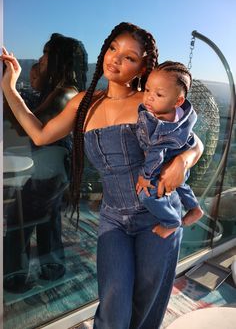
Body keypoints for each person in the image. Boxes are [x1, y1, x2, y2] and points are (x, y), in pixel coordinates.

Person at [1, 22, 203, 328]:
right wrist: (9, 87)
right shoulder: (84, 103)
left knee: (147, 303)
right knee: (114, 302)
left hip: (158, 218)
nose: (116, 59)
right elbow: (40, 135)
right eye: (113, 49)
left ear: (143, 68)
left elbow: (194, 142)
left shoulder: (148, 103)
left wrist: (182, 163)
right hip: (113, 220)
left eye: (130, 57)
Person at [3, 33, 88, 284]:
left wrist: (8, 86)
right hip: (55, 170)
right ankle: (53, 270)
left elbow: (24, 129)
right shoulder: (66, 92)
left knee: (18, 221)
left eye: (46, 53)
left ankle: (15, 280)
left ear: (59, 60)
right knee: (48, 221)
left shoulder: (65, 95)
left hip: (45, 171)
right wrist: (19, 86)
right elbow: (26, 118)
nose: (40, 59)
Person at [136, 61, 204, 239]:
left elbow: (154, 155)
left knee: (146, 195)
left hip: (164, 164)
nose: (149, 97)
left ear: (178, 101)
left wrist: (145, 177)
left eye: (158, 94)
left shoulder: (161, 127)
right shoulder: (179, 116)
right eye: (147, 90)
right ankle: (195, 208)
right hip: (179, 164)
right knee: (182, 184)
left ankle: (172, 222)